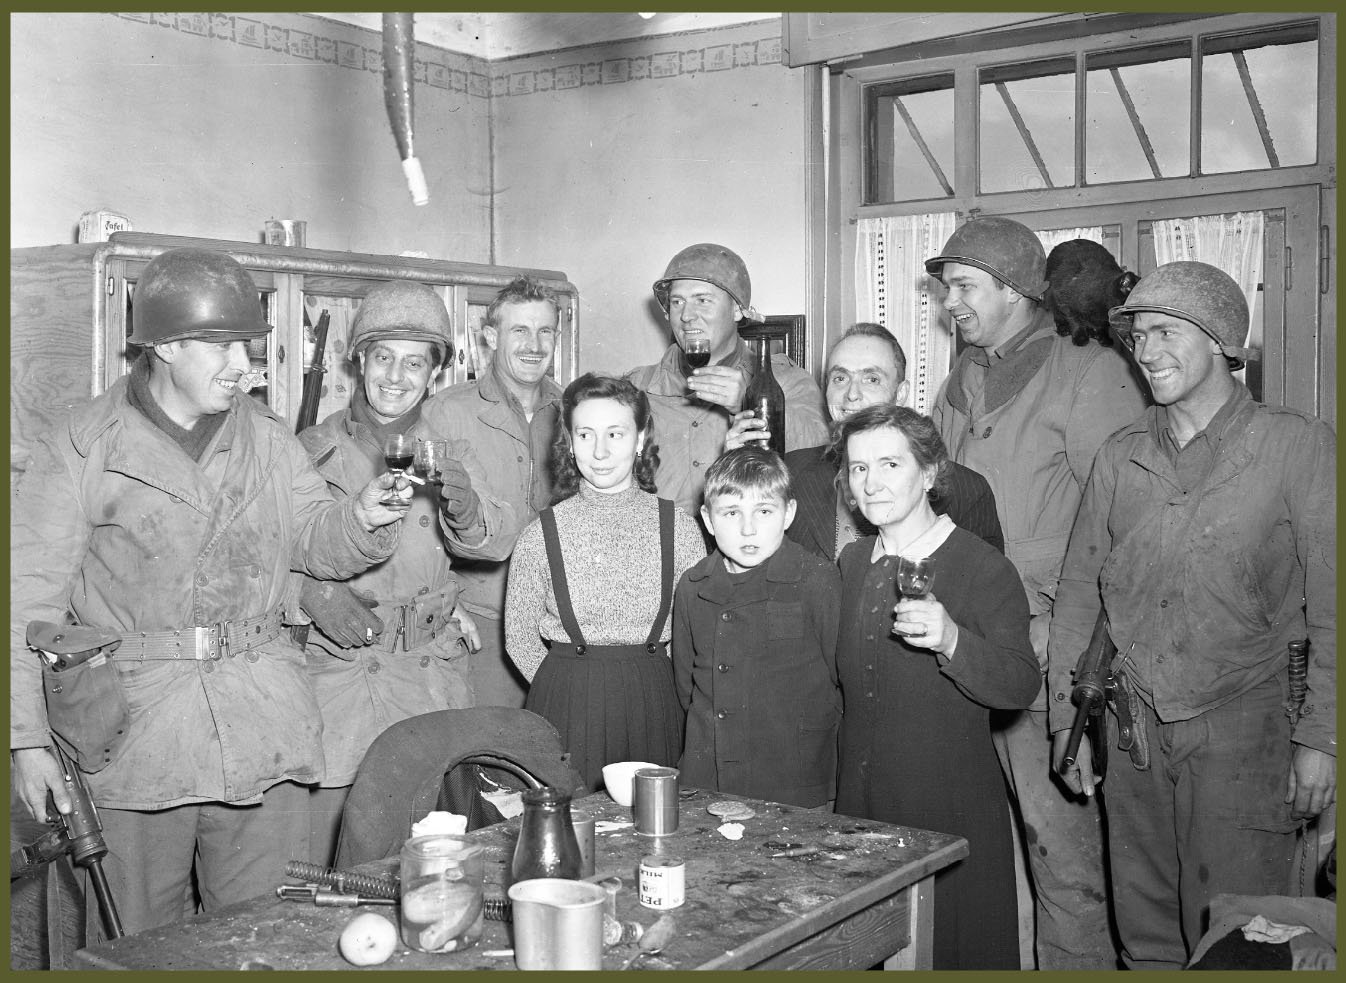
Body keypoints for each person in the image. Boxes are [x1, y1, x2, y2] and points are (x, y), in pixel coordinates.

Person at [10, 248, 409, 937]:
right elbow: (25, 599)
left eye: (247, 347)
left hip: (261, 721)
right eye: (220, 347)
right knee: (135, 942)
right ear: (163, 345)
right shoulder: (83, 444)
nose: (243, 367)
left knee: (266, 935)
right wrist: (27, 742)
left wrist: (362, 518)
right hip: (133, 732)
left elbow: (313, 537)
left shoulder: (268, 438)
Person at [1049, 261, 1337, 969]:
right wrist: (1070, 723)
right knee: (1143, 936)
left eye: (1167, 332)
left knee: (1243, 940)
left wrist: (1323, 737)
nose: (1146, 352)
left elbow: (1335, 603)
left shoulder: (1295, 446)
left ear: (1222, 342)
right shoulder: (1119, 457)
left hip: (1250, 729)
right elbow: (1081, 595)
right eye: (1139, 334)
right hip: (1134, 726)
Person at [926, 216, 1147, 968]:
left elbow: (1126, 524)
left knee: (1067, 863)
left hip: (1051, 647)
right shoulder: (963, 379)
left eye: (963, 287)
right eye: (945, 287)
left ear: (1018, 291)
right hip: (960, 643)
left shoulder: (1089, 369)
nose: (948, 302)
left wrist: (1084, 656)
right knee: (983, 847)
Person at [298, 279, 510, 865]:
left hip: (428, 681)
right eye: (383, 358)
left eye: (414, 363)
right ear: (358, 362)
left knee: (433, 865)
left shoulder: (452, 451)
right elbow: (264, 554)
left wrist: (463, 507)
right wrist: (309, 589)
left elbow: (491, 540)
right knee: (335, 868)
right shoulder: (309, 450)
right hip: (340, 683)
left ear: (435, 372)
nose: (395, 377)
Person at [834, 404, 1040, 970]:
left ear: (929, 473)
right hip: (863, 808)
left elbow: (1021, 683)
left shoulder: (981, 566)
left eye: (890, 464)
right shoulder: (853, 562)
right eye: (857, 469)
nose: (870, 483)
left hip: (947, 808)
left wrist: (953, 639)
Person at [504, 374, 705, 789]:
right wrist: (565, 684)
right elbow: (518, 637)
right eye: (585, 434)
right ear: (570, 442)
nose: (599, 451)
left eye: (615, 433)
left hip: (654, 701)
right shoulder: (542, 533)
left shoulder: (678, 528)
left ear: (639, 438)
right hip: (569, 701)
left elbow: (695, 632)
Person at [672, 447, 841, 809]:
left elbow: (842, 683)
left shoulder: (817, 580)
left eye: (764, 511)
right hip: (708, 777)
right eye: (731, 513)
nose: (748, 529)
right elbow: (685, 683)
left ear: (788, 513)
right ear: (707, 518)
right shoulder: (692, 586)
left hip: (793, 778)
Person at [422, 276, 563, 707]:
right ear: (489, 337)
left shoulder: (576, 409)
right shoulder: (448, 412)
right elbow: (422, 527)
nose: (534, 345)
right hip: (483, 629)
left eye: (545, 332)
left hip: (562, 629)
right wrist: (444, 597)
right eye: (519, 330)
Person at [626, 242, 828, 513]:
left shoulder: (787, 381)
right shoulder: (636, 387)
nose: (686, 315)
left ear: (737, 310)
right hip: (659, 547)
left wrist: (752, 403)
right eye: (677, 302)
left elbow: (820, 452)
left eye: (702, 300)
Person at [776, 322, 1003, 560]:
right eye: (840, 378)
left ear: (901, 394)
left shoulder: (965, 493)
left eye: (871, 379)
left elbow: (984, 590)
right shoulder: (791, 472)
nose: (852, 394)